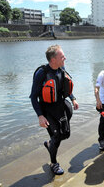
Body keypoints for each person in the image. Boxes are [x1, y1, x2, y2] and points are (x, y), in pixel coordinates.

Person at [30, 45, 79, 175]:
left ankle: (50, 143)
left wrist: (73, 99)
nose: (65, 58)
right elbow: (33, 97)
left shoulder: (61, 68)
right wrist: (40, 116)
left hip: (61, 106)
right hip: (47, 110)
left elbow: (65, 88)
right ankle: (54, 163)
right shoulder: (42, 73)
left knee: (65, 134)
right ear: (53, 59)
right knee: (57, 136)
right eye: (62, 56)